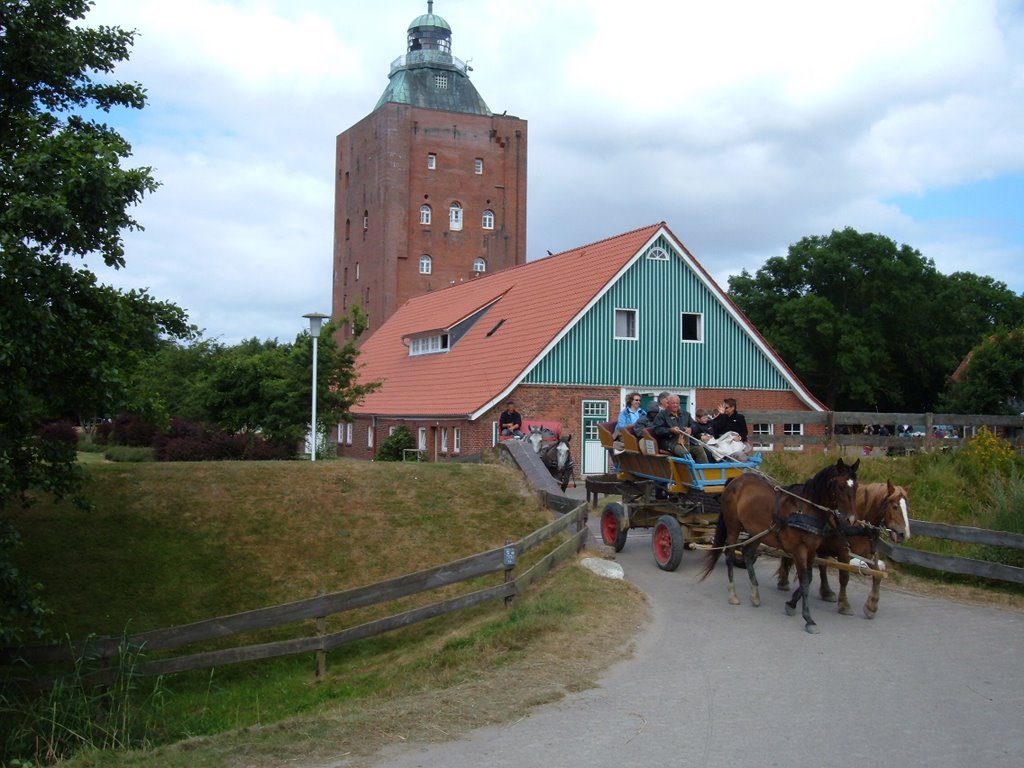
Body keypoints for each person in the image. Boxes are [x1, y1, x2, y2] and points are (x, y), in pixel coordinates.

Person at [651, 395, 709, 463]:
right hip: (670, 443)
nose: (675, 405)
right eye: (673, 403)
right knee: (684, 453)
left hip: (686, 442)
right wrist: (670, 430)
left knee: (700, 449)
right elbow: (656, 430)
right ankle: (689, 471)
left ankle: (704, 470)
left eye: (677, 403)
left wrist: (690, 429)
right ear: (668, 403)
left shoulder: (686, 414)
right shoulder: (661, 415)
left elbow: (694, 425)